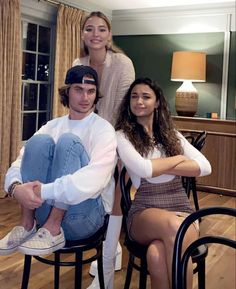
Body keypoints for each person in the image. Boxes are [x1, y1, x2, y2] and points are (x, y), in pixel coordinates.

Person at [0, 65, 117, 258]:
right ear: (67, 91)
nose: (85, 98)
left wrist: (43, 191)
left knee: (68, 142)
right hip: (42, 214)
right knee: (38, 142)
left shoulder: (103, 129)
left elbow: (95, 180)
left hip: (84, 218)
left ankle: (54, 226)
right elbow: (21, 160)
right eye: (78, 90)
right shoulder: (52, 126)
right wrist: (15, 188)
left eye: (91, 91)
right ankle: (26, 223)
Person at [115, 77, 212, 289]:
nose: (139, 101)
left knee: (156, 253)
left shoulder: (172, 135)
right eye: (134, 96)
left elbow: (205, 167)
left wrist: (159, 164)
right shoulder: (122, 136)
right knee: (175, 227)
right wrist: (178, 159)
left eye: (146, 96)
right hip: (145, 210)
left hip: (181, 208)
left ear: (157, 102)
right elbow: (143, 170)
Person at [73, 11, 135, 289]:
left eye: (101, 29)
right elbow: (77, 103)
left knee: (112, 196)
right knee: (93, 195)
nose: (95, 34)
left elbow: (123, 109)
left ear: (109, 35)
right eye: (89, 29)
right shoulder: (79, 62)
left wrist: (104, 143)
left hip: (117, 136)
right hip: (89, 137)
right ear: (83, 34)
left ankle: (106, 265)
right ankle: (112, 250)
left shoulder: (122, 63)